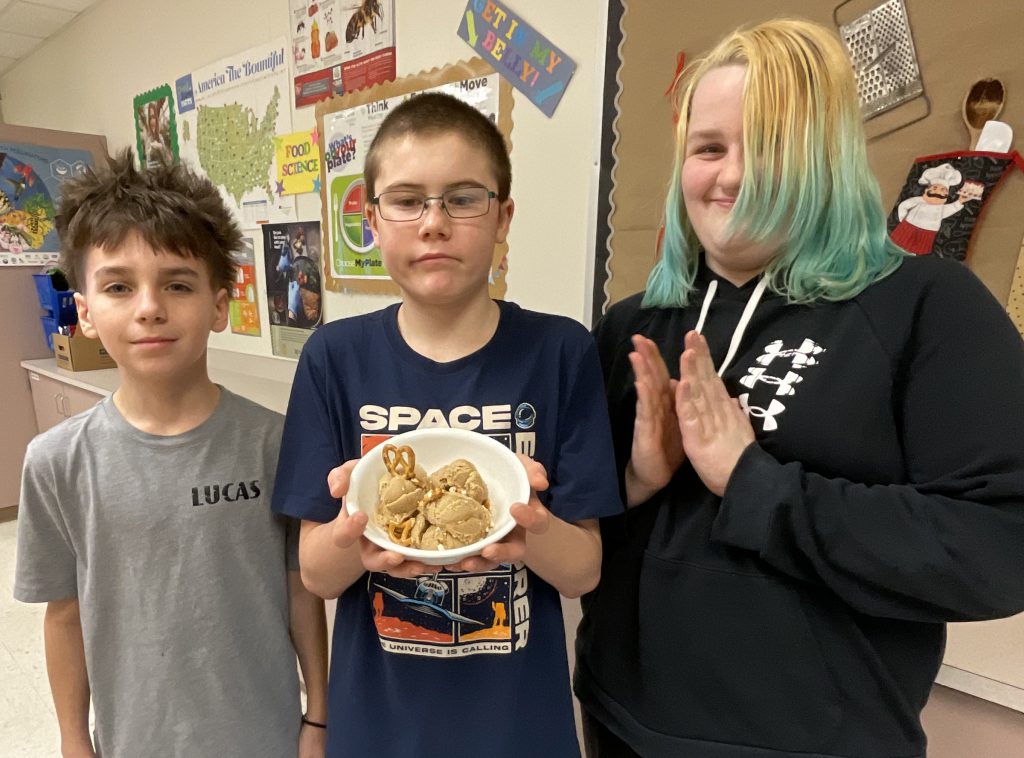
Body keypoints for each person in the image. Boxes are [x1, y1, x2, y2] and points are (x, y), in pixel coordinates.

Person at [574, 18, 1024, 758]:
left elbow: (1000, 552)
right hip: (621, 721)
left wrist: (752, 484)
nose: (732, 177)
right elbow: (583, 538)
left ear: (826, 158)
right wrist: (636, 480)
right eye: (708, 148)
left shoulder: (927, 307)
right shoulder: (632, 325)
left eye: (770, 146)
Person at [272, 92, 622, 757]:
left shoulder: (561, 352)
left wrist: (531, 531)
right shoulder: (334, 358)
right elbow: (318, 575)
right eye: (407, 201)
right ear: (373, 221)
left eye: (463, 199)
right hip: (379, 722)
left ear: (503, 217)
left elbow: (582, 571)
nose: (434, 223)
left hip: (518, 723)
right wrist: (352, 533)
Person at [14, 150, 329, 758]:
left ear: (219, 305)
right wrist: (74, 740)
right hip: (136, 741)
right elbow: (64, 616)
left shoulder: (275, 442)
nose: (149, 307)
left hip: (266, 737)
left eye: (177, 284)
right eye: (118, 286)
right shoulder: (55, 463)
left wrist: (318, 716)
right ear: (85, 311)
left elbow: (301, 592)